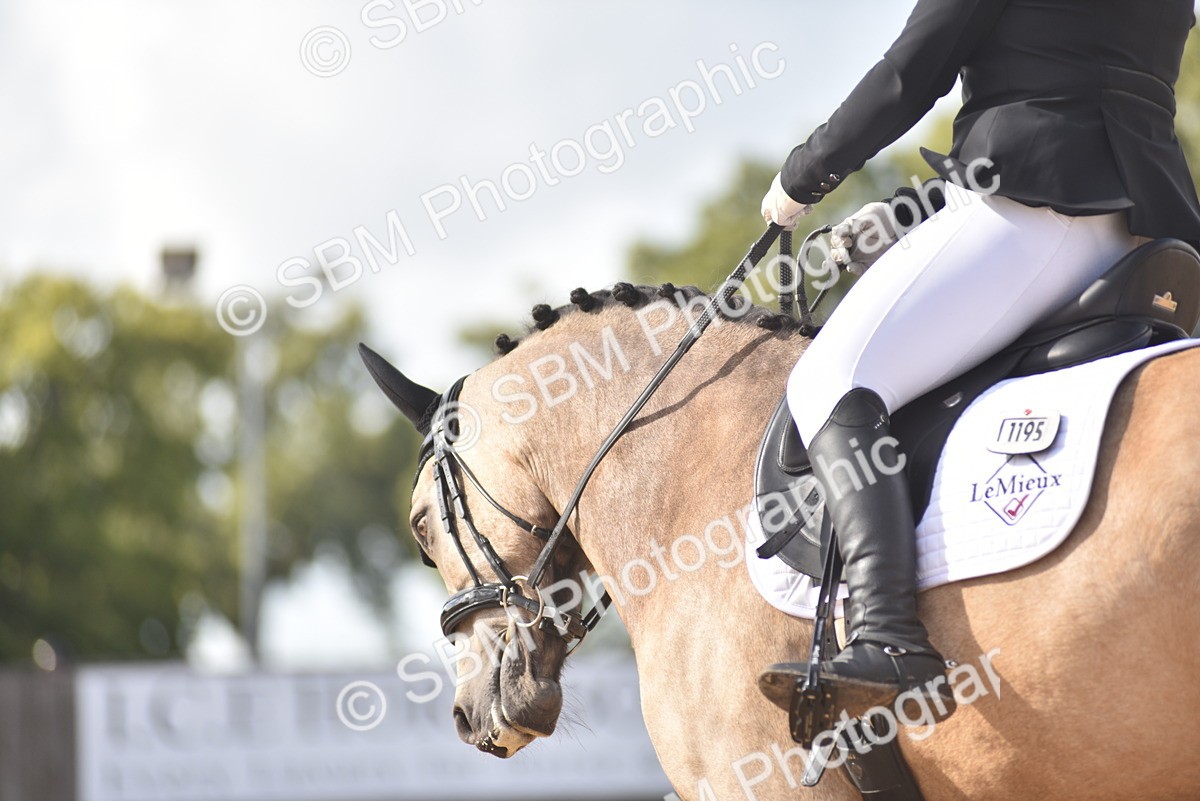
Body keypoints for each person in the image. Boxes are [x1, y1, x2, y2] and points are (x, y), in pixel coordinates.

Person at [758, 0, 1200, 723]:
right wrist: (915, 210)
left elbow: (911, 72)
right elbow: (1078, 82)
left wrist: (803, 174)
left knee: (831, 381)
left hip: (1030, 217)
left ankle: (888, 633)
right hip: (1145, 227)